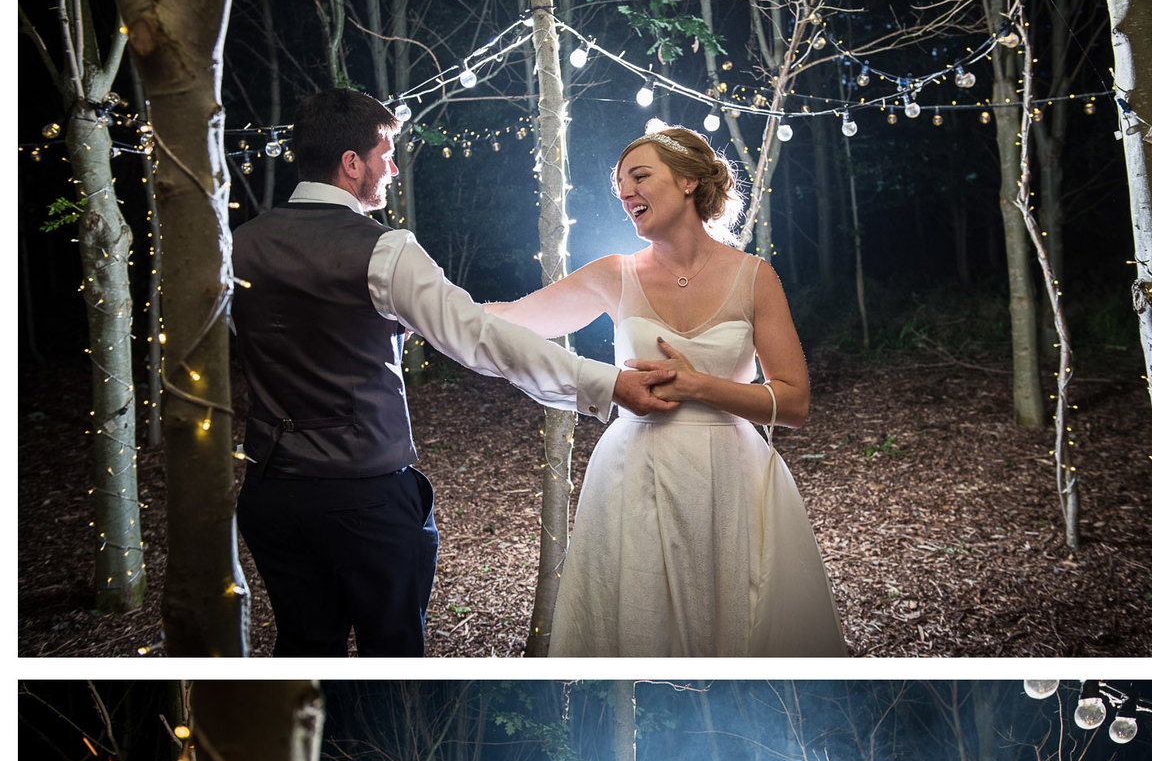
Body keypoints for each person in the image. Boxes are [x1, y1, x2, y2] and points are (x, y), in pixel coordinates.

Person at [230, 88, 682, 655]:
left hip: (270, 496)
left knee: (303, 647)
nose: (392, 168)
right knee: (391, 657)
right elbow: (481, 341)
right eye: (385, 153)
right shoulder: (385, 252)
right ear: (351, 164)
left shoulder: (236, 246)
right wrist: (607, 383)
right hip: (364, 498)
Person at [482, 128, 851, 656]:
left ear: (687, 181)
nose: (626, 192)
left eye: (639, 175)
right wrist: (419, 311)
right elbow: (514, 318)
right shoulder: (616, 274)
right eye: (619, 186)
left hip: (731, 475)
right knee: (636, 621)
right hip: (634, 470)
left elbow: (793, 404)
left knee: (734, 624)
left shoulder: (754, 278)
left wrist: (699, 384)